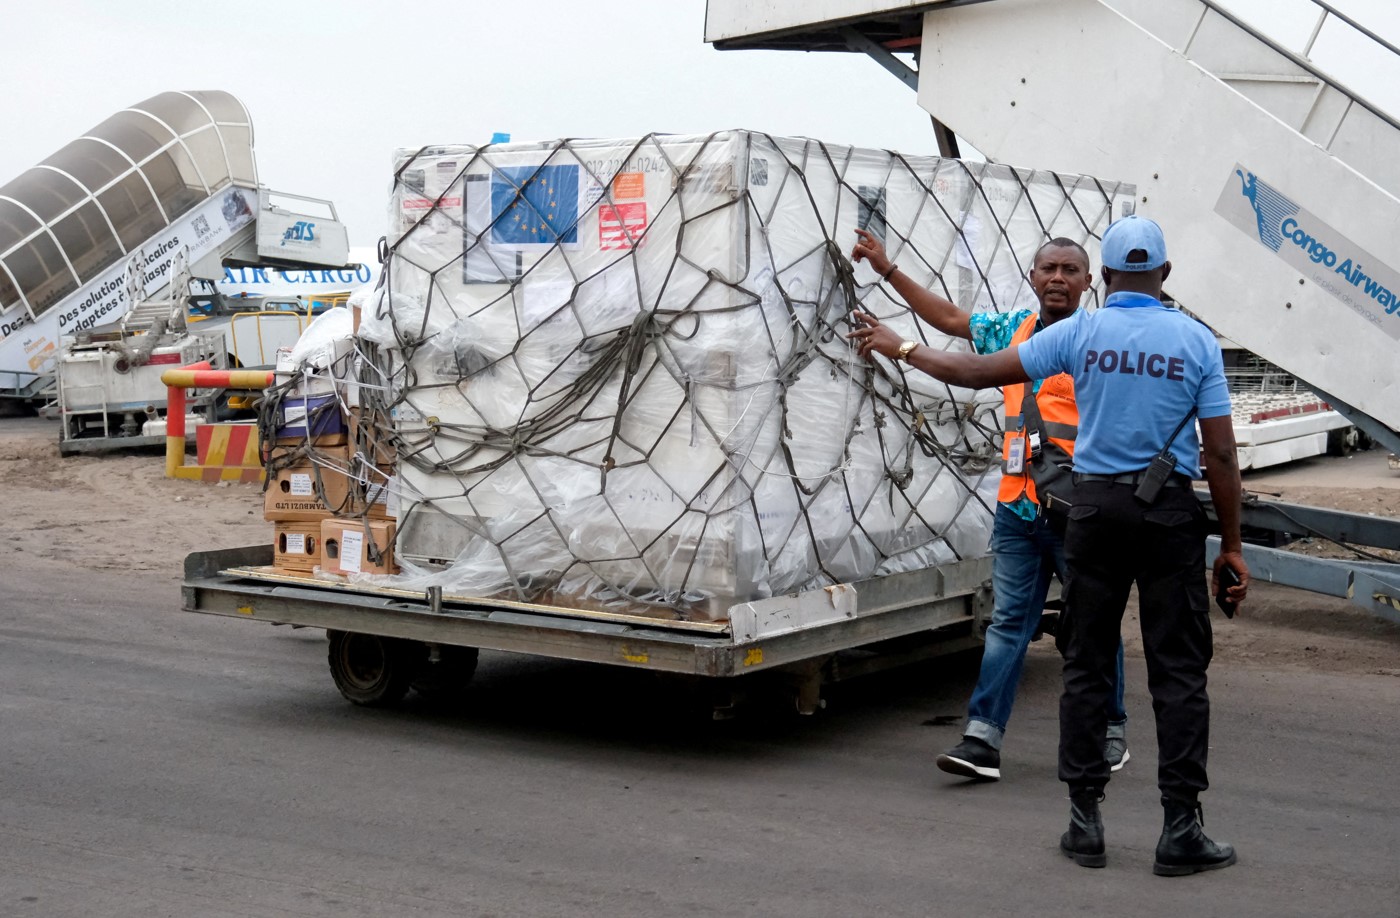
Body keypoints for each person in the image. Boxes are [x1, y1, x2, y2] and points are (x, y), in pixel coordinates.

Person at [848, 215, 1249, 877]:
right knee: (1179, 674)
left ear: (1106, 277)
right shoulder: (1196, 341)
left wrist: (903, 349)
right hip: (1168, 513)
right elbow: (1223, 452)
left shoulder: (1077, 333)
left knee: (1085, 664)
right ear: (1165, 276)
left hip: (1090, 509)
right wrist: (1231, 546)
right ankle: (1181, 828)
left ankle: (1085, 822)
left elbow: (974, 371)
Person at [850, 228, 1129, 782]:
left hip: (1082, 513)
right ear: (1032, 276)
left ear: (1088, 280)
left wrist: (901, 346)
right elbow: (952, 321)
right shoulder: (1013, 329)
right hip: (1019, 510)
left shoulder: (1103, 340)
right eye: (1048, 268)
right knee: (1007, 625)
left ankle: (1110, 731)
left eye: (1070, 270)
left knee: (1094, 624)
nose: (1057, 278)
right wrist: (887, 270)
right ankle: (982, 740)